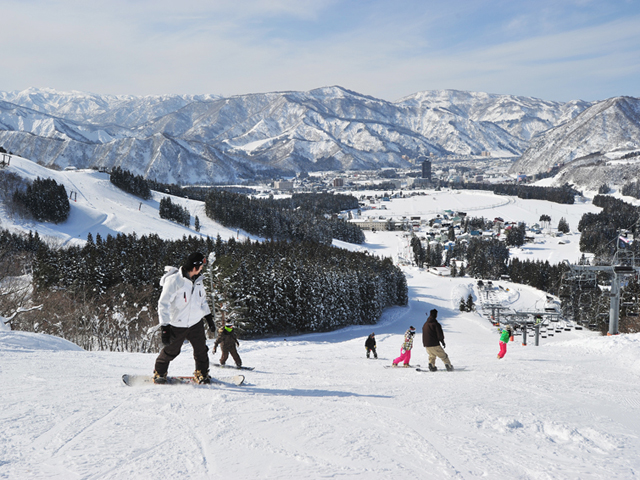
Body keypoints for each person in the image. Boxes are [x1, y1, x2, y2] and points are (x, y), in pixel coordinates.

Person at [153, 252, 215, 384]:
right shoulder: (175, 281)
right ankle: (160, 372)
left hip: (196, 323)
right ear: (194, 267)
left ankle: (202, 373)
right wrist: (165, 326)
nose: (202, 269)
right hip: (178, 324)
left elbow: (202, 300)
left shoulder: (198, 281)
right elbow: (163, 304)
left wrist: (209, 318)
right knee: (171, 351)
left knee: (201, 350)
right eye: (201, 266)